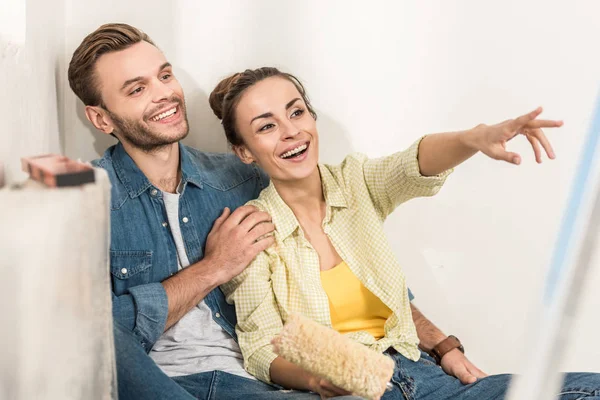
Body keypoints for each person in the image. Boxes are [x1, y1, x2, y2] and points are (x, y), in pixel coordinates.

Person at [211, 67, 600, 399]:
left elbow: (412, 164)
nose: (290, 131)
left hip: (425, 377)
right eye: (266, 126)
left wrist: (472, 139)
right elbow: (261, 348)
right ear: (244, 151)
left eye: (296, 112)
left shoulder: (356, 181)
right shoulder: (252, 231)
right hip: (351, 391)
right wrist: (318, 379)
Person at [68, 23, 365, 400]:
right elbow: (91, 339)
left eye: (165, 75)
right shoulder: (84, 200)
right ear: (101, 119)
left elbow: (344, 255)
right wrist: (215, 267)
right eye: (138, 89)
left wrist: (438, 344)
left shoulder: (240, 177)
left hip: (264, 381)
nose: (165, 95)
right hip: (168, 385)